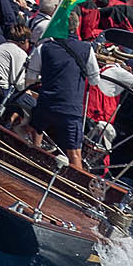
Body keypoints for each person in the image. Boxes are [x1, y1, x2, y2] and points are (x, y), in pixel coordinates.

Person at [26, 32, 99, 172]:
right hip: (71, 110)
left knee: (35, 131)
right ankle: (77, 188)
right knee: (75, 154)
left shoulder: (44, 48)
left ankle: (31, 164)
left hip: (46, 105)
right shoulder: (87, 48)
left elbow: (30, 78)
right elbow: (95, 80)